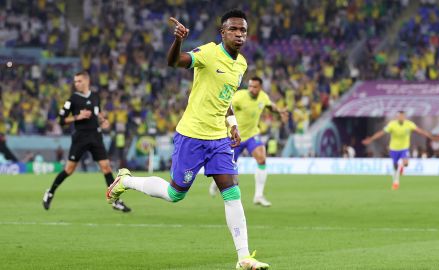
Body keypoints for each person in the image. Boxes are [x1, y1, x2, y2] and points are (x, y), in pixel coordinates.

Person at [106, 10, 269, 269]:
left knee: (232, 192)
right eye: (234, 30)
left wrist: (232, 124)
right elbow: (175, 62)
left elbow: (224, 98)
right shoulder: (208, 52)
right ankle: (126, 180)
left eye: (243, 31)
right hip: (192, 135)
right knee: (174, 194)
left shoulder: (242, 65)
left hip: (219, 139)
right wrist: (179, 40)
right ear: (223, 33)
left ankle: (244, 257)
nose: (239, 35)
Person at [42, 71, 131, 212]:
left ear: (86, 81)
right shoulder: (73, 99)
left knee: (106, 167)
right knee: (69, 170)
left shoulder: (95, 97)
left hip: (96, 136)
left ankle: (116, 201)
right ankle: (50, 192)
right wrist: (78, 116)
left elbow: (97, 113)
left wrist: (103, 121)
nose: (76, 83)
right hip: (80, 137)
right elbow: (61, 120)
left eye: (79, 81)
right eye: (75, 81)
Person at [208, 76, 288, 207]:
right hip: (235, 137)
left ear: (260, 88)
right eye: (250, 86)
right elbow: (226, 107)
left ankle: (258, 196)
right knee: (227, 170)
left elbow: (269, 106)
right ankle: (215, 184)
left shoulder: (263, 97)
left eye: (255, 87)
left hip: (252, 134)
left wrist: (280, 111)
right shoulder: (239, 96)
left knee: (262, 158)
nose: (251, 89)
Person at [362, 111, 437, 190]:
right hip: (394, 148)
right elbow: (381, 133)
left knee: (406, 163)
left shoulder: (409, 124)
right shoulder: (392, 125)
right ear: (397, 117)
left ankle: (401, 167)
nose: (401, 118)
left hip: (404, 148)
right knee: (395, 166)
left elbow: (420, 131)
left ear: (404, 117)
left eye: (403, 116)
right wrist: (371, 139)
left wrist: (432, 137)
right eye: (400, 116)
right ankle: (395, 182)